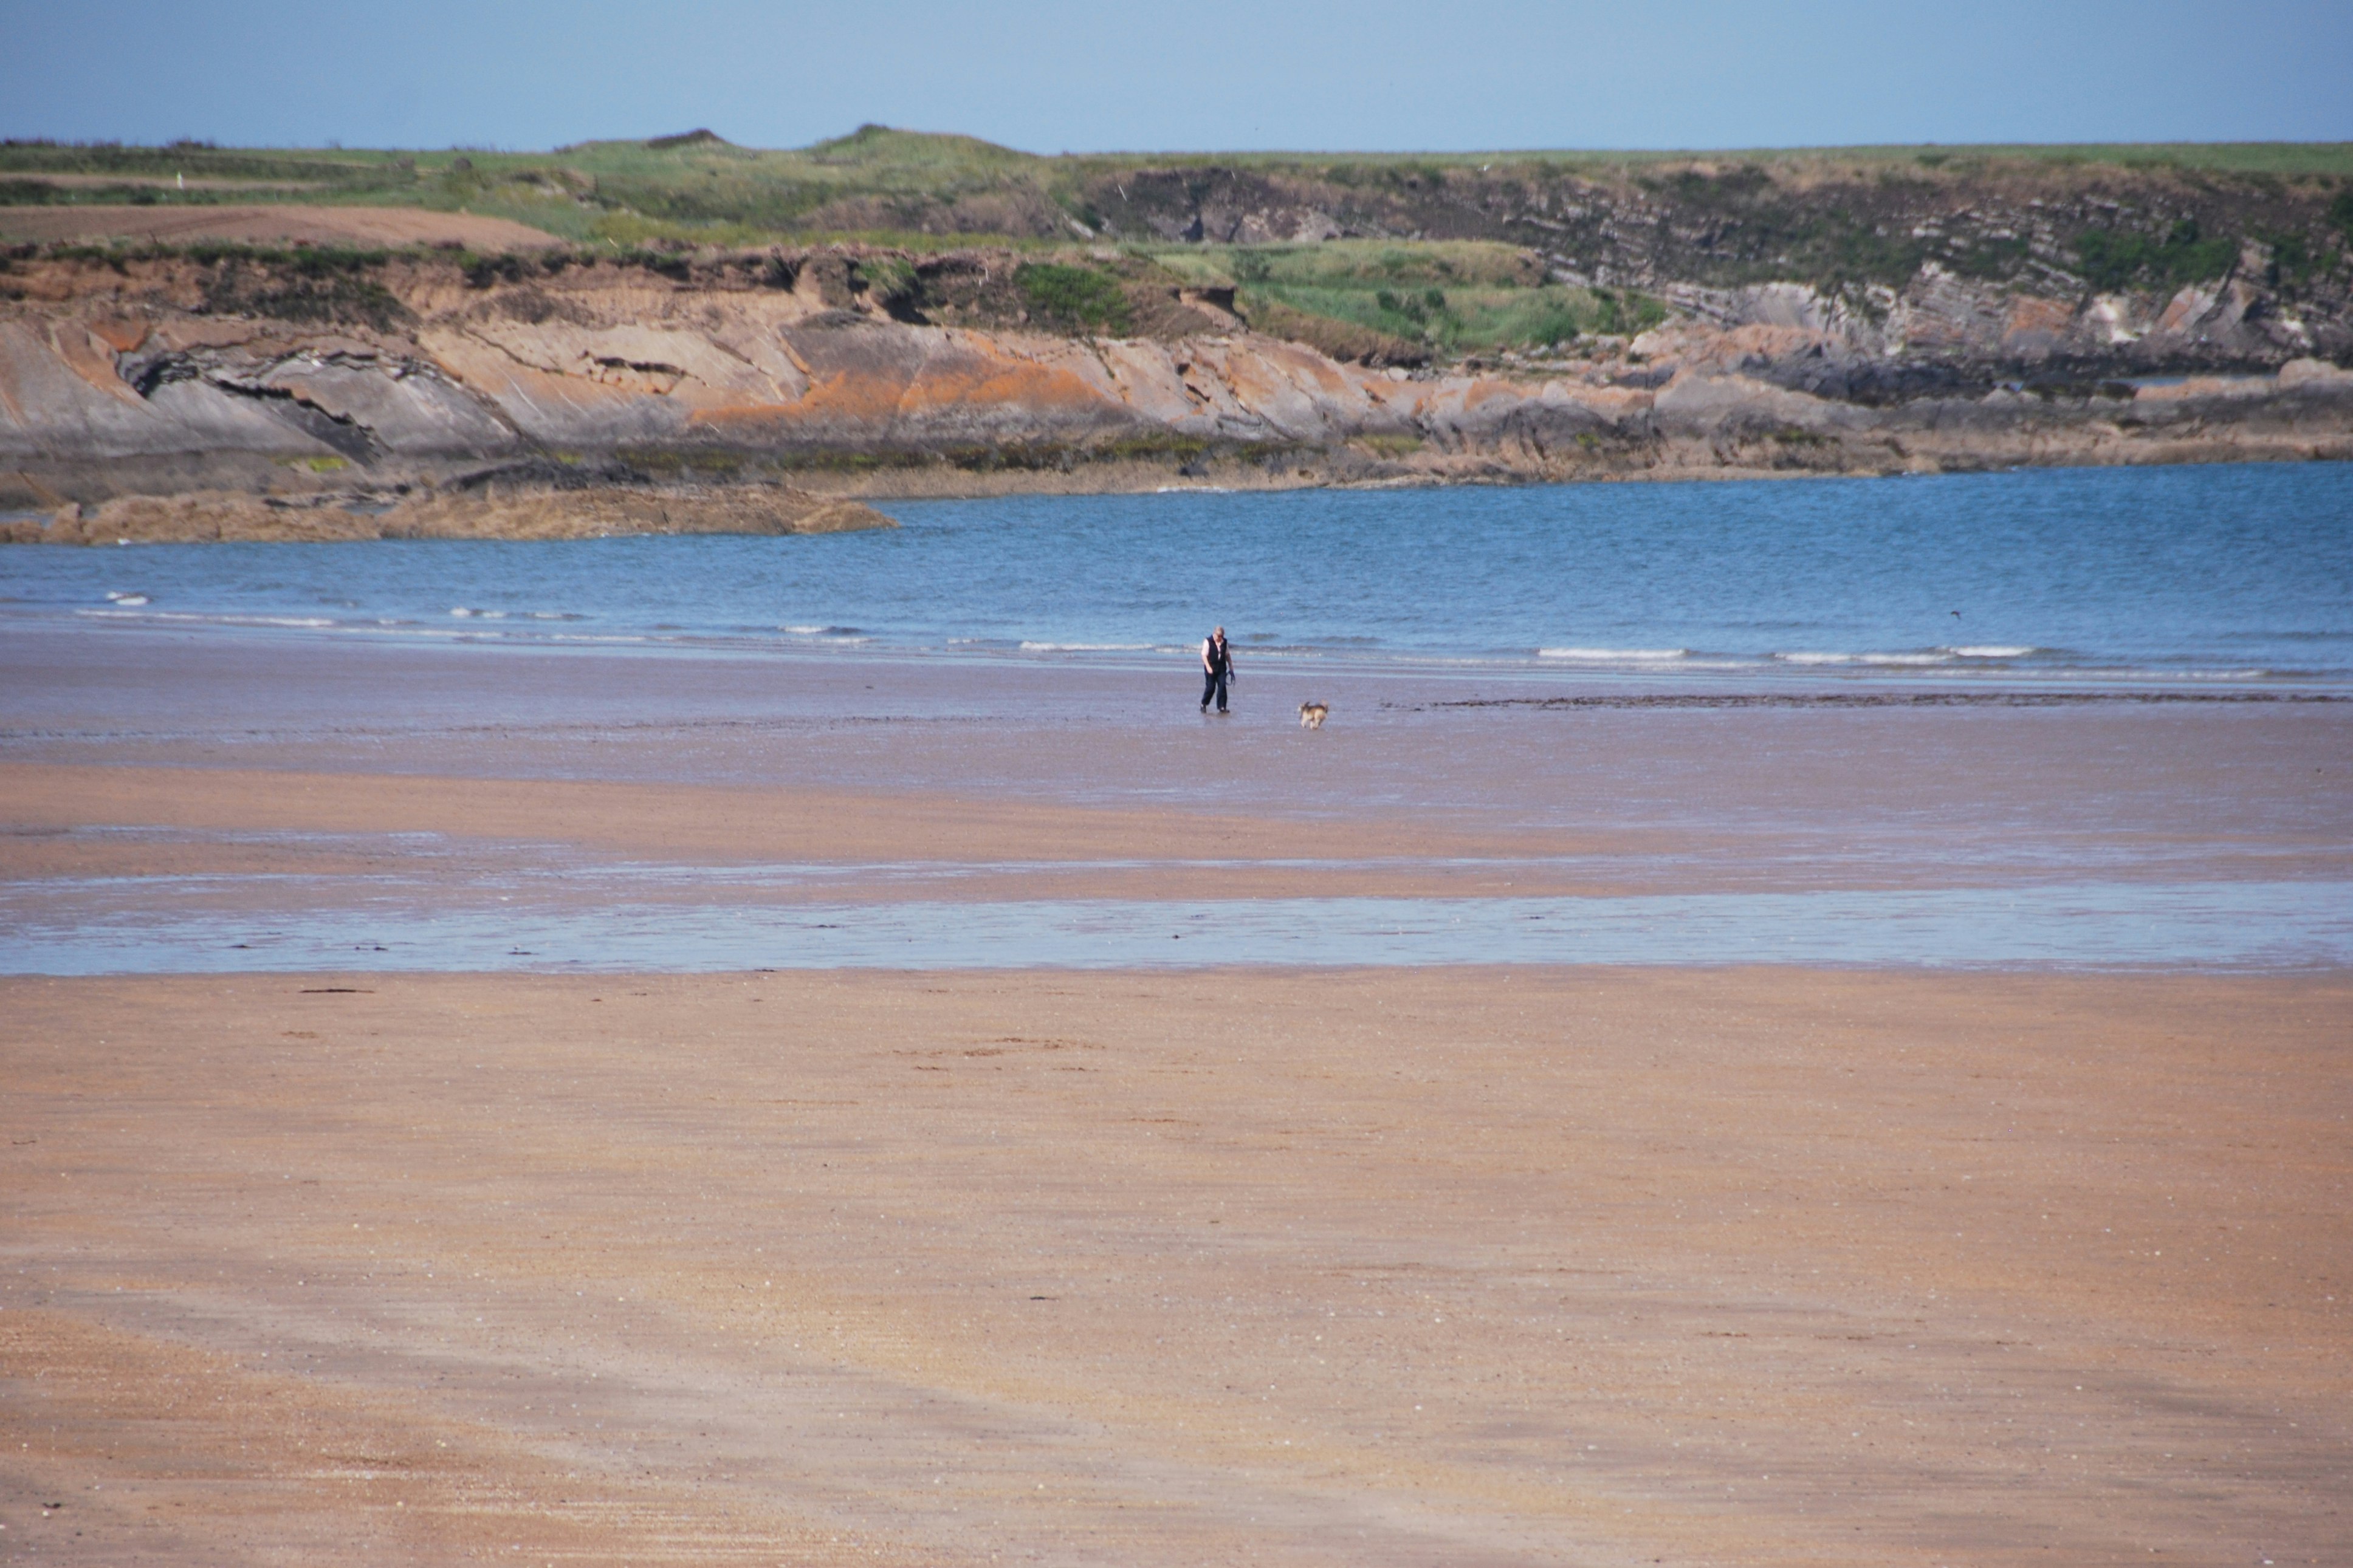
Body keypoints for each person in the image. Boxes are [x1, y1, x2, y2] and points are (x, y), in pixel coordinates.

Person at [1199, 626, 1234, 714]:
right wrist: (1208, 667)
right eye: (1218, 636)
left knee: (1222, 686)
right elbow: (1204, 655)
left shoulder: (1224, 642)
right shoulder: (1208, 641)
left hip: (1221, 668)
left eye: (1221, 636)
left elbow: (1227, 655)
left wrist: (1231, 667)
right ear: (1214, 634)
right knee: (1211, 687)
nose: (1220, 638)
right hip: (1211, 668)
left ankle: (1222, 707)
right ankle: (1204, 703)